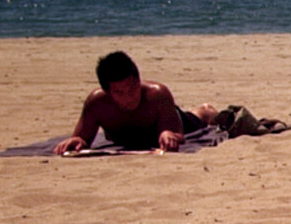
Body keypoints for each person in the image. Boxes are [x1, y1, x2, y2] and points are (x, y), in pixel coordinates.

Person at [52, 51, 220, 155]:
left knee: (198, 118)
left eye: (132, 89)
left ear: (139, 80)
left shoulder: (157, 95)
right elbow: (82, 138)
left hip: (172, 120)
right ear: (107, 92)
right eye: (119, 93)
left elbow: (177, 134)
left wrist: (168, 135)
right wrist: (77, 141)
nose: (129, 97)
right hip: (131, 135)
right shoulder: (97, 103)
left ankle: (204, 110)